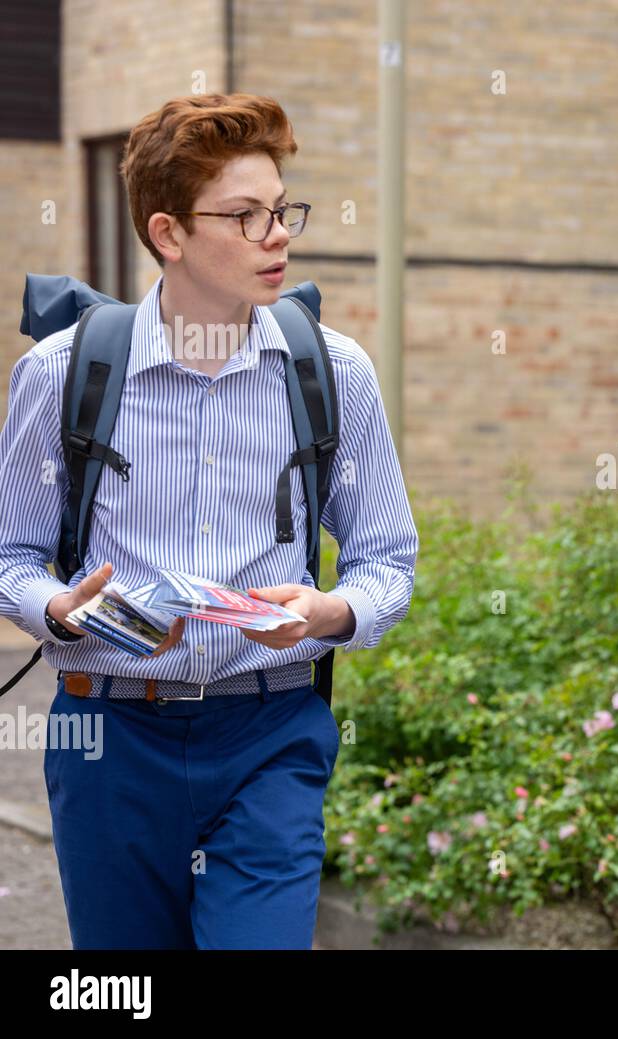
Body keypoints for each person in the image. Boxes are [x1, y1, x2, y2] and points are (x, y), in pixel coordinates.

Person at [0, 93, 418, 949]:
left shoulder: (334, 373)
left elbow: (387, 561)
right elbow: (11, 554)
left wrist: (330, 611)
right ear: (168, 233)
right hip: (105, 734)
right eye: (245, 215)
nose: (278, 235)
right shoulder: (61, 374)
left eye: (282, 210)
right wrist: (59, 609)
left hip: (270, 734)